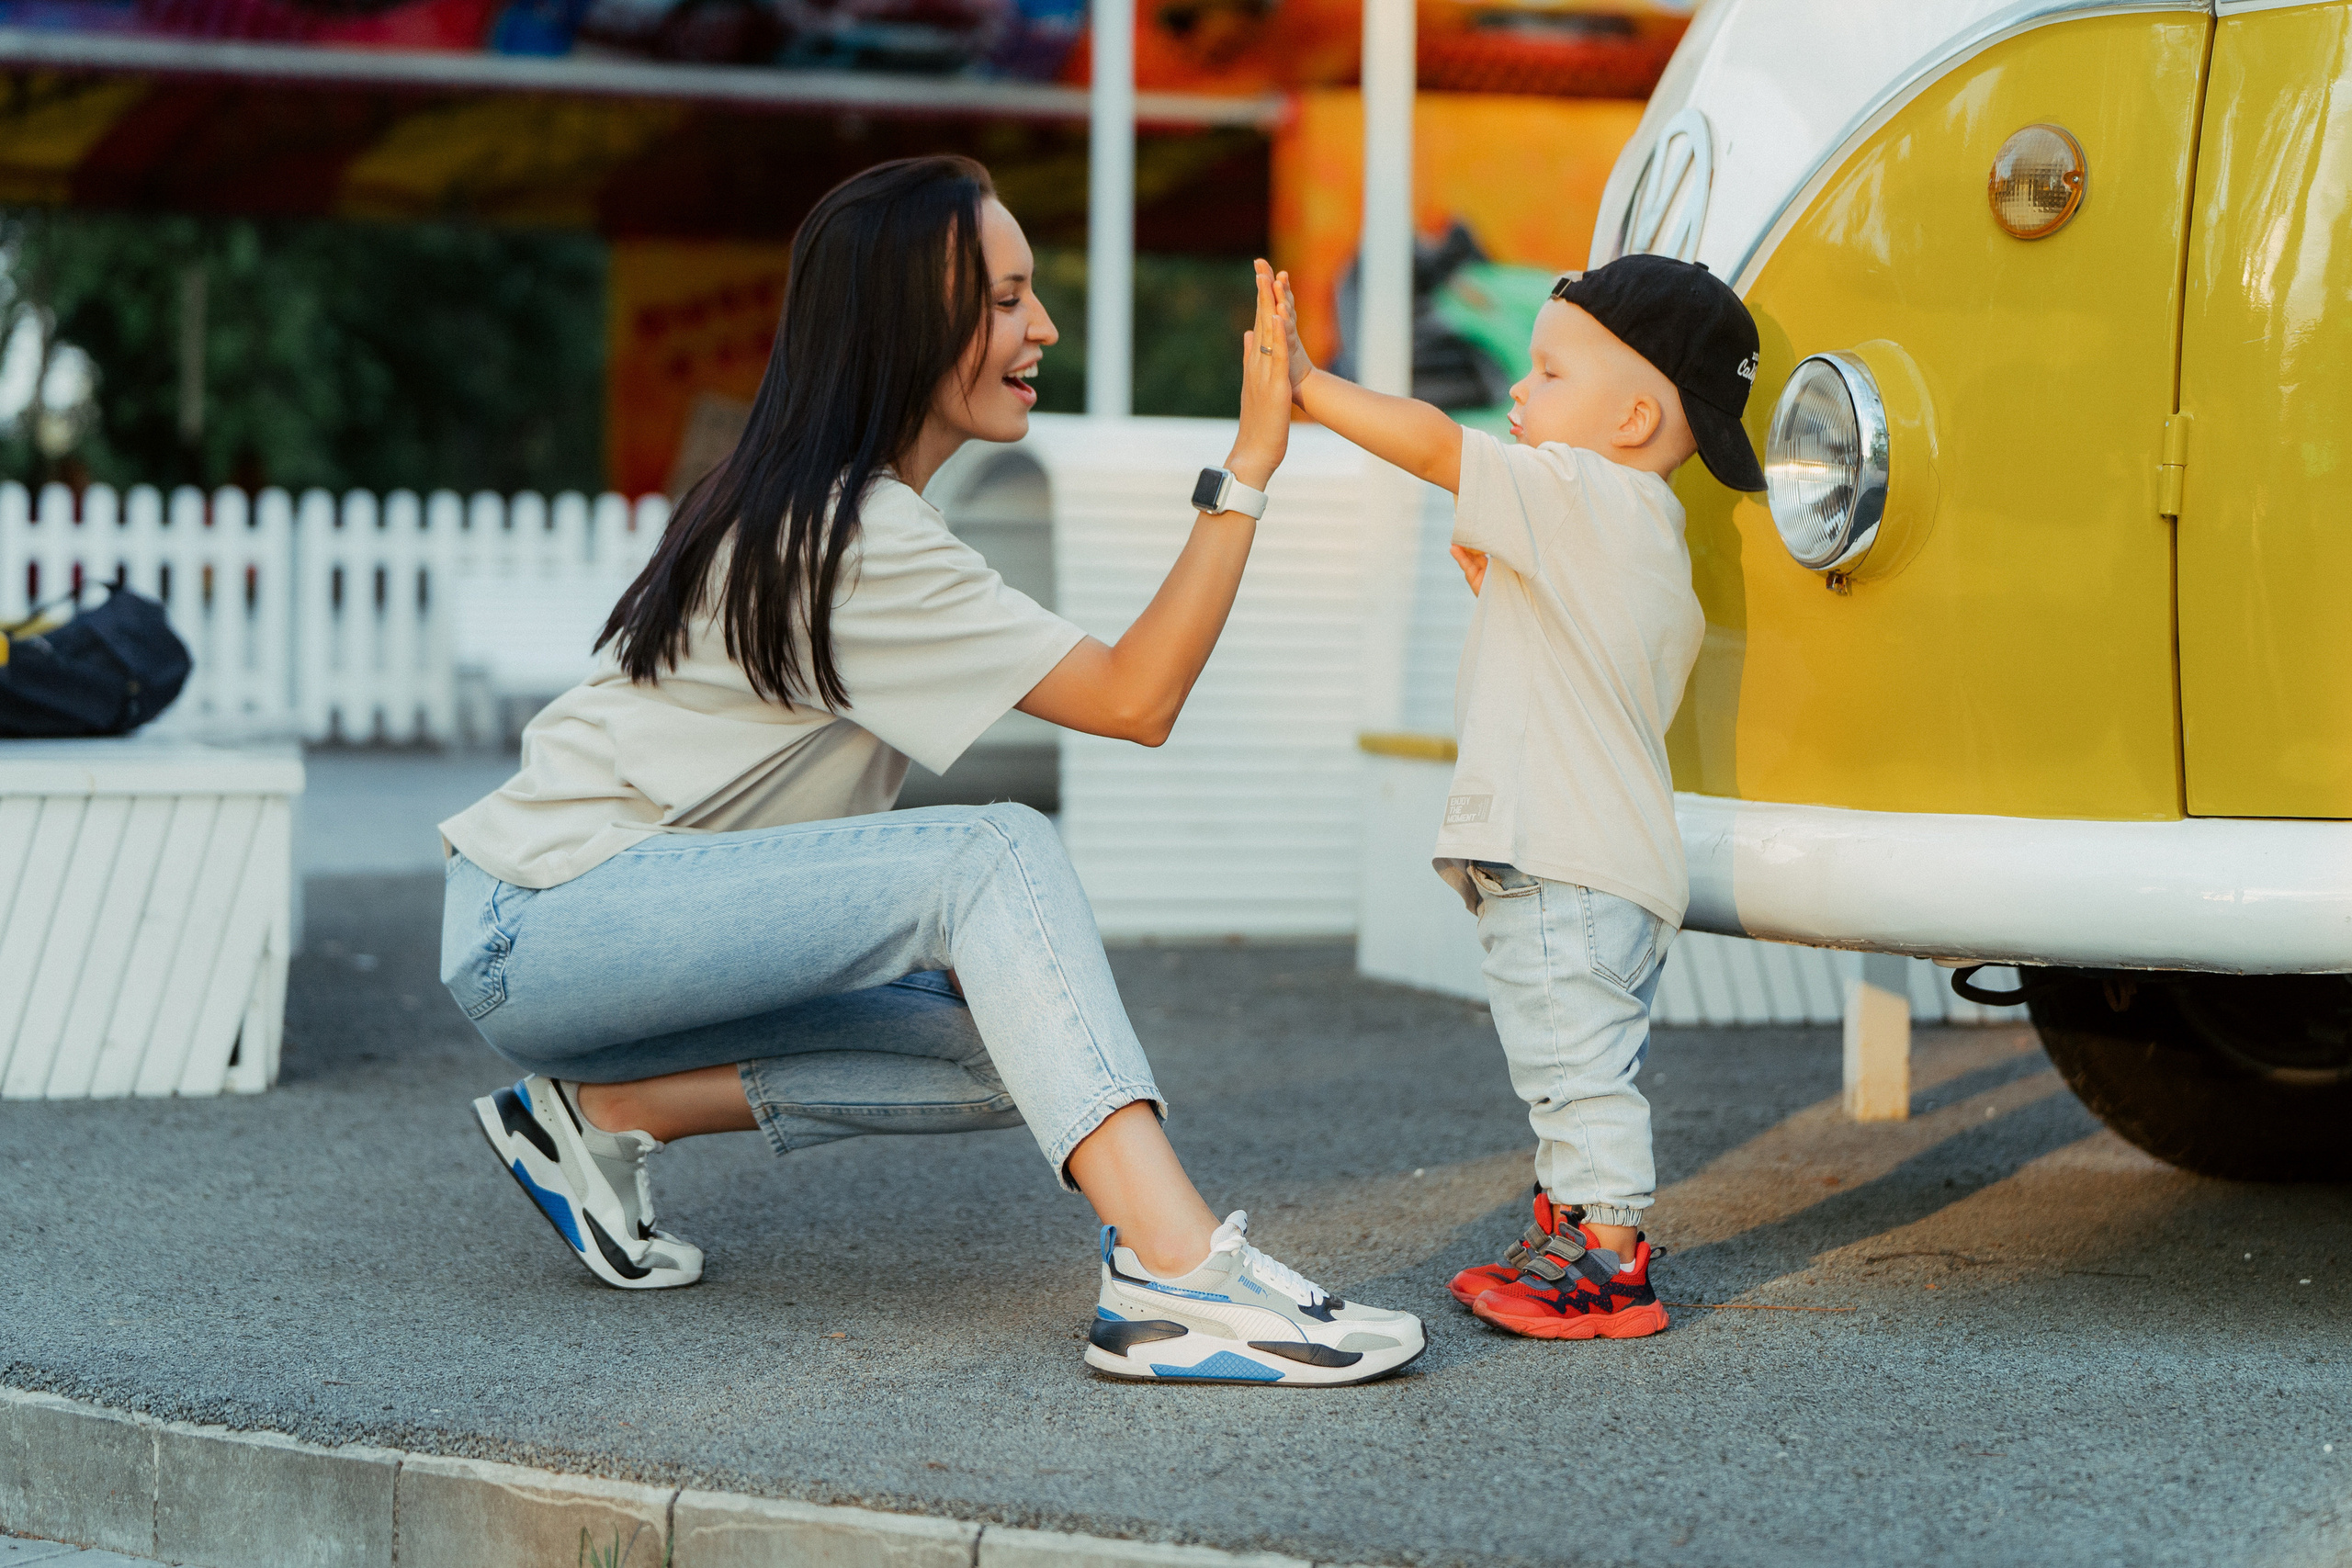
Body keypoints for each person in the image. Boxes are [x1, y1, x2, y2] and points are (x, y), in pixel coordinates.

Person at [437, 155, 1424, 1386]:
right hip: (545, 919)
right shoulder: (852, 533)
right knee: (994, 849)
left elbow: (1128, 693)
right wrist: (1250, 466)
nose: (1042, 327)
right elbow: (1137, 697)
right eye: (1007, 299)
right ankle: (1175, 1275)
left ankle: (601, 1113)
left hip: (584, 924)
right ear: (911, 319)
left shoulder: (838, 507)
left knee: (1016, 1030)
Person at [1274, 254, 1765, 1339]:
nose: (1517, 393)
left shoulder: (1588, 489)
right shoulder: (1631, 524)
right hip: (1589, 859)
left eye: (1546, 373)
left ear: (1633, 416)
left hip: (1566, 859)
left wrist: (1309, 385)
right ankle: (1569, 1236)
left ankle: (1606, 1262)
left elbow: (1440, 449)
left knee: (1574, 1067)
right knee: (1567, 1058)